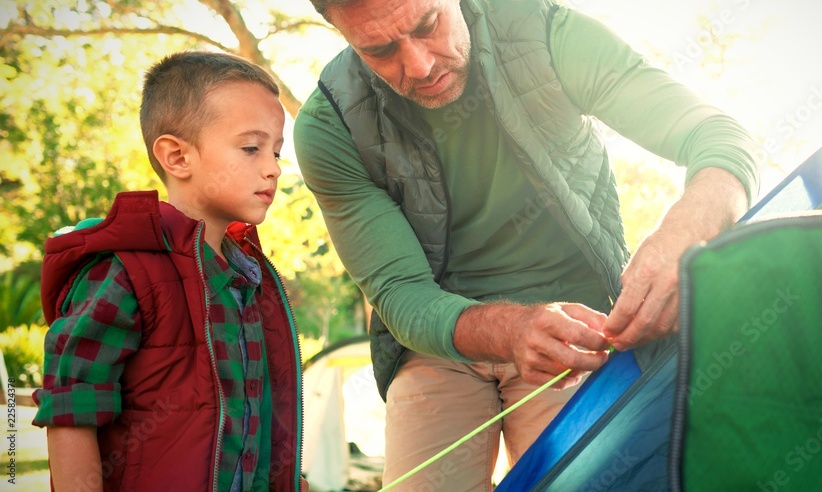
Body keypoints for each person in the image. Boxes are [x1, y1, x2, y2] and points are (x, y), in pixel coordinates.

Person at [295, 0, 760, 488]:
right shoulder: (329, 126)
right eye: (380, 50)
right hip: (436, 341)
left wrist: (679, 243)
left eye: (429, 25)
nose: (420, 65)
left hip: (580, 331)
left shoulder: (549, 33)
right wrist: (511, 329)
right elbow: (401, 295)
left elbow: (723, 140)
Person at [32, 51, 307, 491]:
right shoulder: (122, 272)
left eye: (276, 151)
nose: (273, 167)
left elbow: (255, 418)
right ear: (177, 157)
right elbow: (72, 410)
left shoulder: (250, 281)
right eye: (251, 148)